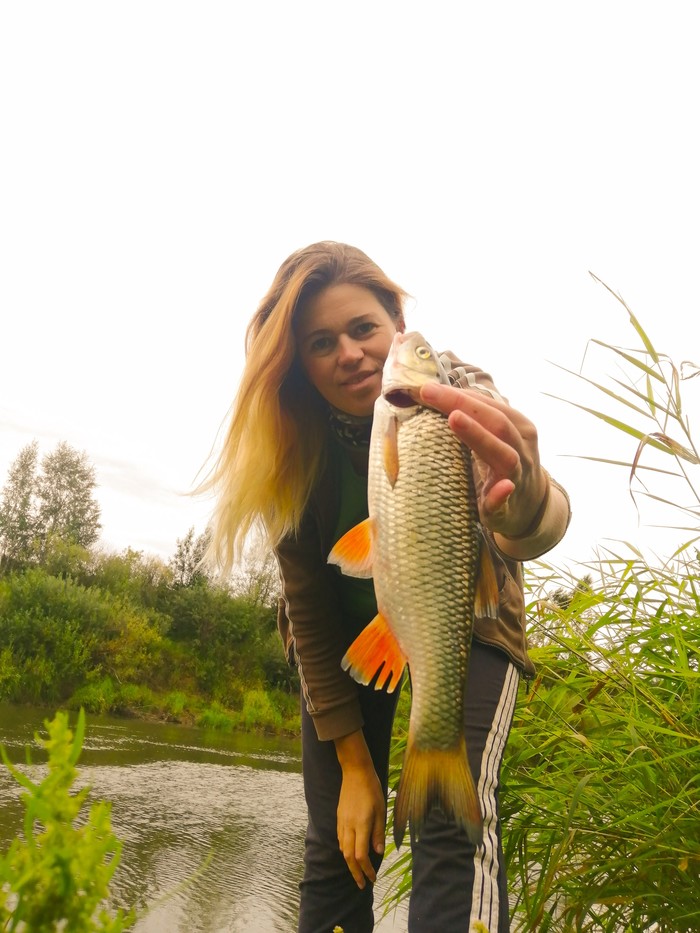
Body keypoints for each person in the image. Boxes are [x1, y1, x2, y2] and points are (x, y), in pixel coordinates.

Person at [201, 241, 571, 933]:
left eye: (363, 328)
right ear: (298, 365)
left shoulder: (458, 392)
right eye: (320, 343)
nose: (349, 352)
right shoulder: (288, 444)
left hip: (467, 622)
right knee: (334, 844)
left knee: (447, 829)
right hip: (349, 646)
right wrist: (355, 766)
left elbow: (541, 519)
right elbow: (306, 609)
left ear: (397, 326)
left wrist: (524, 498)